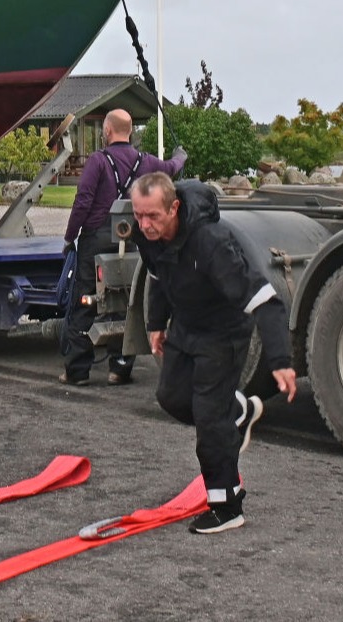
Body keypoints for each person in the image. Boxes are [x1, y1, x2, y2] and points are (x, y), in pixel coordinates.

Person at [130, 171, 297, 535]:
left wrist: (280, 361)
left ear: (174, 208)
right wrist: (156, 323)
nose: (144, 225)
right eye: (138, 215)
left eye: (153, 216)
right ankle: (237, 410)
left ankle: (227, 505)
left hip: (223, 333)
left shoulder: (211, 242)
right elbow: (159, 274)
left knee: (210, 422)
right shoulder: (147, 234)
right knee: (172, 398)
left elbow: (265, 301)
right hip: (186, 327)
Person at [59, 109, 185, 386]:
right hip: (132, 240)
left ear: (107, 131)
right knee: (124, 303)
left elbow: (83, 201)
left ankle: (77, 371)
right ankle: (119, 369)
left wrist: (70, 238)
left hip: (96, 238)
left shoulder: (98, 161)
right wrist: (180, 156)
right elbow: (171, 168)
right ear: (130, 131)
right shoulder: (146, 161)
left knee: (85, 301)